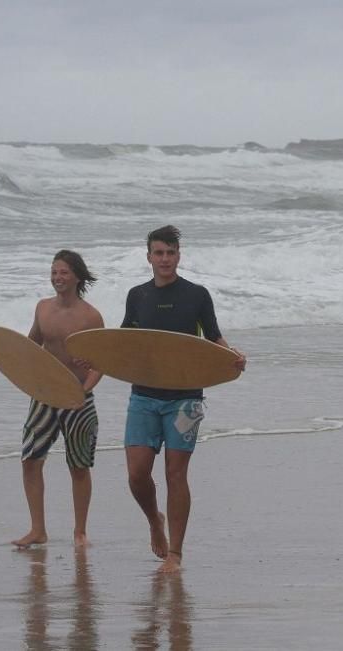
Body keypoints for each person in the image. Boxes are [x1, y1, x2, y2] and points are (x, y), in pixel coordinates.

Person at [120, 225, 246, 573]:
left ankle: (175, 553)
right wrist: (93, 360)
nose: (164, 259)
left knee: (176, 474)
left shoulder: (197, 295)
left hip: (187, 400)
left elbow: (214, 337)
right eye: (158, 253)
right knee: (136, 475)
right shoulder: (137, 296)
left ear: (179, 256)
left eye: (170, 253)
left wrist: (232, 356)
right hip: (143, 395)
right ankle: (153, 519)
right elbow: (122, 343)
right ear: (148, 257)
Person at [0, 250, 104, 548]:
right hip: (45, 396)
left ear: (77, 276)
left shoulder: (91, 316)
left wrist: (85, 389)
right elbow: (29, 347)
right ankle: (38, 530)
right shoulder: (43, 309)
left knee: (78, 466)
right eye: (54, 272)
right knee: (31, 460)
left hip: (77, 397)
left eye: (63, 272)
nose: (57, 278)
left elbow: (103, 360)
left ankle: (80, 532)